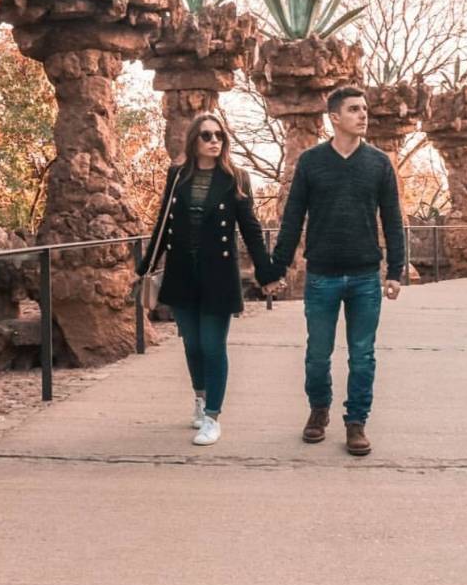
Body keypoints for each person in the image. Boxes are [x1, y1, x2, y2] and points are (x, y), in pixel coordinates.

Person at [259, 86, 405, 456]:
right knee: (318, 354)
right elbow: (292, 218)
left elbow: (392, 218)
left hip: (365, 277)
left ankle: (356, 422)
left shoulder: (378, 163)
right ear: (335, 118)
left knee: (362, 354)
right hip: (321, 275)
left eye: (364, 109)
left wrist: (395, 270)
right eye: (354, 109)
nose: (363, 115)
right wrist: (277, 268)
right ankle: (318, 411)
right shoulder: (311, 162)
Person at [137, 112, 271, 447]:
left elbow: (251, 228)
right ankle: (199, 398)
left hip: (218, 273)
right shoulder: (178, 175)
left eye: (219, 136)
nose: (214, 142)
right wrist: (145, 266)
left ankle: (212, 416)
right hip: (182, 271)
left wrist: (266, 271)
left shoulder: (236, 178)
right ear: (194, 140)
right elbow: (163, 220)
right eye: (207, 136)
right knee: (192, 345)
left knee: (213, 346)